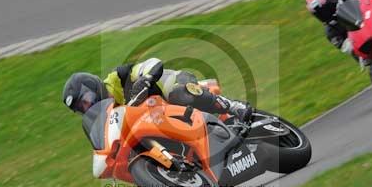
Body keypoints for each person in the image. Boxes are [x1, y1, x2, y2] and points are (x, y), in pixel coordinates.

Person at [62, 58, 253, 120]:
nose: (88, 108)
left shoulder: (119, 77)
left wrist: (144, 80)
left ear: (94, 88)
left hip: (172, 87)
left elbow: (153, 63)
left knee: (179, 93)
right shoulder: (110, 119)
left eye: (86, 100)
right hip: (162, 119)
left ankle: (233, 106)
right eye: (82, 108)